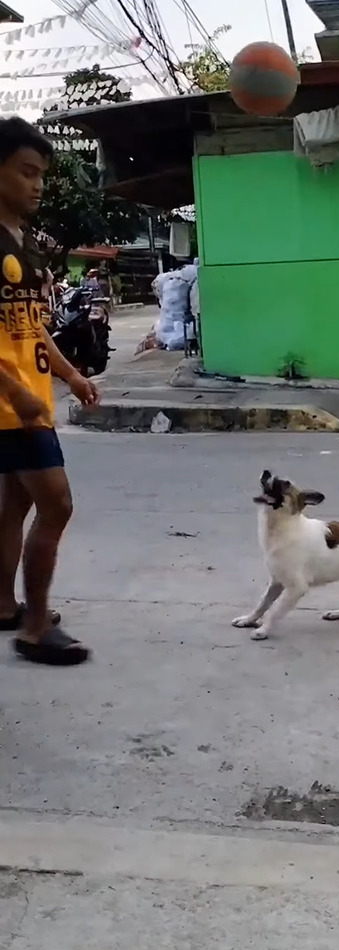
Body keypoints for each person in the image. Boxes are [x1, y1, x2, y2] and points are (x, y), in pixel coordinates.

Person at [0, 117, 99, 665]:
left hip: (27, 398)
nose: (37, 184)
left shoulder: (24, 242)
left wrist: (69, 375)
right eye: (26, 172)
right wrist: (15, 394)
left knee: (13, 504)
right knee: (56, 506)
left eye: (42, 174)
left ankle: (4, 605)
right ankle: (36, 627)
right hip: (11, 407)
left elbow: (32, 326)